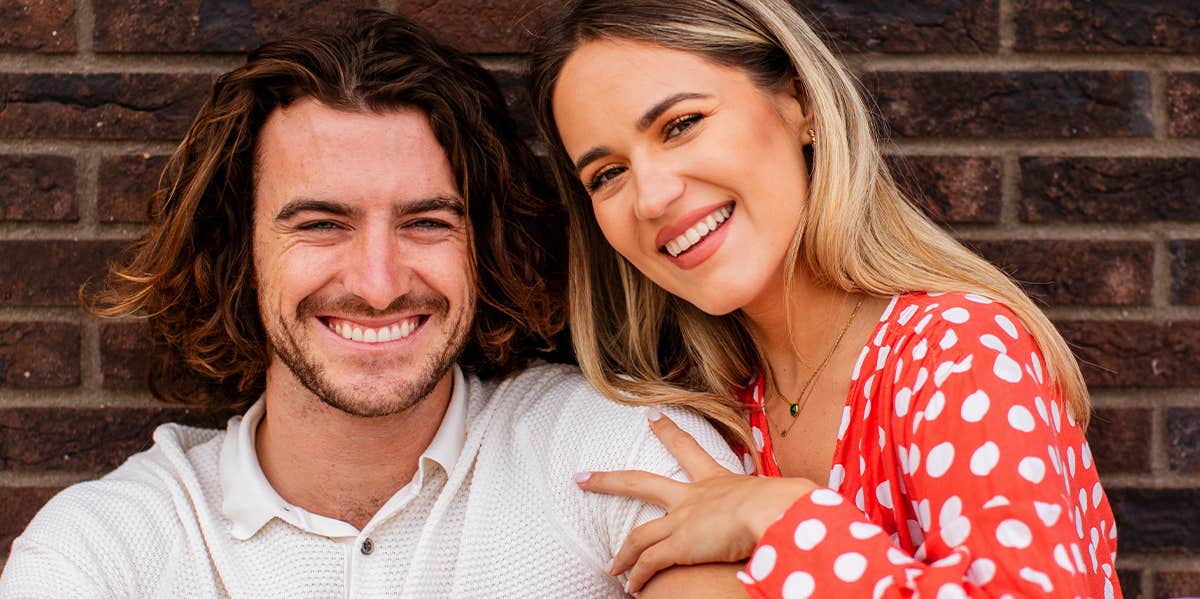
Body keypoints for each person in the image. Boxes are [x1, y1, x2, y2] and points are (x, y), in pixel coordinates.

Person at [0, 11, 747, 598]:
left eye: (427, 222)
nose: (381, 280)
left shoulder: (608, 448)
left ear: (481, 246)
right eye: (323, 223)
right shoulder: (102, 548)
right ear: (240, 251)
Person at [528, 0, 1121, 597]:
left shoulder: (957, 351)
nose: (651, 198)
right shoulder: (712, 405)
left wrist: (781, 516)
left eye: (681, 125)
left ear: (799, 103)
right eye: (606, 174)